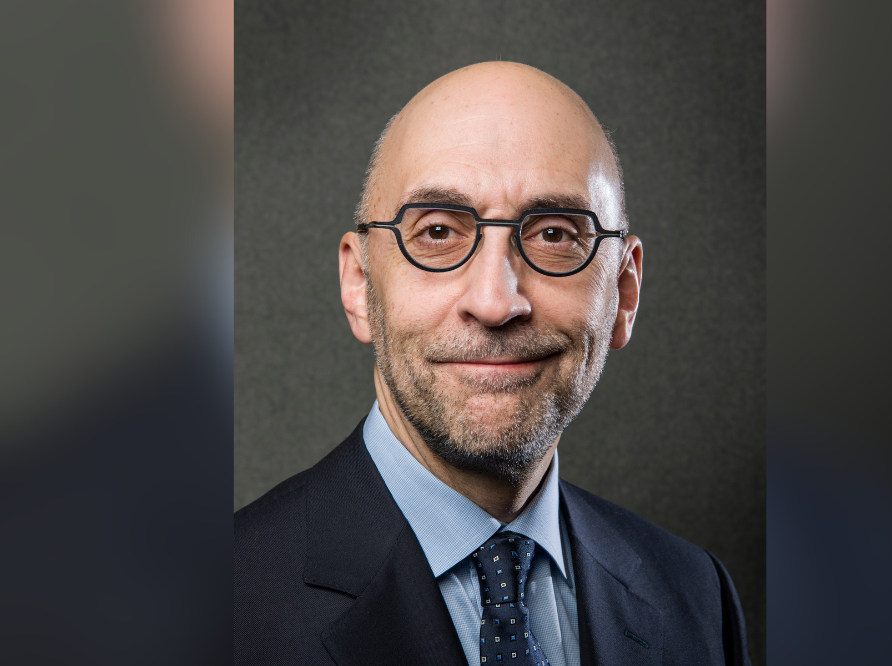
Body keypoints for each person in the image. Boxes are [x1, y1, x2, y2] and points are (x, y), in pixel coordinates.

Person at [234, 62, 750, 666]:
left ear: (623, 293)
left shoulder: (695, 596)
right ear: (359, 284)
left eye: (555, 235)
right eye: (437, 233)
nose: (496, 302)